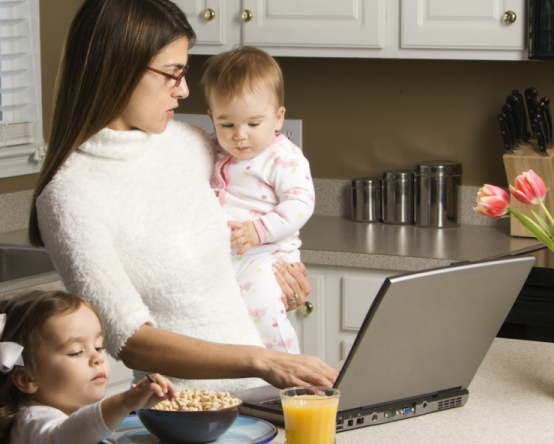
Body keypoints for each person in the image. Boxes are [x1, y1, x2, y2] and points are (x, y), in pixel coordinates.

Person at [28, 0, 337, 392]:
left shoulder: (192, 145)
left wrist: (281, 278)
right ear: (120, 70)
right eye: (172, 74)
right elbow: (132, 341)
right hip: (185, 414)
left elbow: (235, 250)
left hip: (266, 394)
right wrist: (260, 360)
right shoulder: (69, 196)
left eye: (185, 73)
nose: (185, 89)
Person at [203, 46, 314, 354]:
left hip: (266, 256)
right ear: (212, 118)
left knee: (264, 316)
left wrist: (258, 231)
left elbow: (300, 203)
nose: (240, 135)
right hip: (224, 258)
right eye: (227, 124)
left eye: (253, 123)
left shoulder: (282, 157)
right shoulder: (209, 150)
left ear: (278, 118)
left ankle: (292, 372)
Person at [0, 290, 178, 444]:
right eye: (76, 352)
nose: (98, 358)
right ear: (27, 378)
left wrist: (139, 403)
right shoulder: (32, 422)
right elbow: (67, 435)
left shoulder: (69, 409)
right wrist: (124, 402)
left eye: (99, 347)